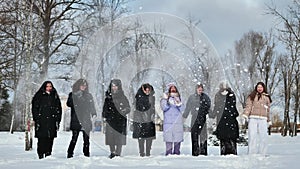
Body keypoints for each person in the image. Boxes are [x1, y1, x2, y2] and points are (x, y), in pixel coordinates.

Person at [66, 79, 97, 158]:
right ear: (78, 86)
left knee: (86, 139)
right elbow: (69, 104)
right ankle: (70, 153)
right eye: (82, 85)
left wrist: (93, 113)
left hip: (86, 119)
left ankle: (86, 153)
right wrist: (76, 97)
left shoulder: (88, 95)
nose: (84, 87)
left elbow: (91, 105)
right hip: (76, 119)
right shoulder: (73, 94)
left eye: (85, 85)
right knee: (74, 138)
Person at [31, 81, 62, 159]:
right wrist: (37, 118)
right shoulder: (39, 96)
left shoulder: (54, 96)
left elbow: (59, 108)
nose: (49, 88)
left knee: (50, 138)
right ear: (44, 87)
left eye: (50, 86)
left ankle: (48, 154)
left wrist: (58, 119)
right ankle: (41, 154)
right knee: (42, 139)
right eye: (47, 86)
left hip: (52, 120)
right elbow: (34, 108)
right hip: (42, 120)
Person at [102, 79, 131, 158]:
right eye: (113, 86)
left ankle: (118, 152)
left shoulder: (123, 97)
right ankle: (112, 151)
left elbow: (128, 108)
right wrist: (106, 116)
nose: (114, 88)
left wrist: (123, 111)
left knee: (119, 137)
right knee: (111, 137)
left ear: (119, 87)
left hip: (120, 121)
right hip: (111, 120)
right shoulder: (108, 98)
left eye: (116, 86)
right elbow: (104, 109)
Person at [243, 82, 272, 155]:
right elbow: (248, 106)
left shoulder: (267, 97)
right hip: (253, 118)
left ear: (263, 88)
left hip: (263, 118)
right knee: (252, 135)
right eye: (258, 87)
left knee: (263, 136)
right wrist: (246, 114)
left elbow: (268, 110)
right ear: (256, 88)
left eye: (261, 87)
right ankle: (252, 153)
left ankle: (263, 152)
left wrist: (268, 120)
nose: (259, 88)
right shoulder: (252, 96)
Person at [182, 83, 211, 156]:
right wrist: (184, 116)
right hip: (194, 118)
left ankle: (203, 152)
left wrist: (211, 114)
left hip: (202, 118)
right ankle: (195, 152)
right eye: (198, 88)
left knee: (203, 136)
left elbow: (209, 107)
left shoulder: (205, 97)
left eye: (201, 88)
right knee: (194, 135)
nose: (200, 90)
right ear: (196, 89)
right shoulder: (192, 97)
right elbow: (188, 107)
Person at [212, 82, 239, 155]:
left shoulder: (231, 94)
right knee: (223, 137)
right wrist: (213, 114)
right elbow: (216, 106)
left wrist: (233, 113)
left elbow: (233, 105)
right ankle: (224, 151)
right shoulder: (218, 95)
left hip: (230, 118)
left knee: (232, 136)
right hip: (221, 119)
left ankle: (232, 150)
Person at [160, 83, 184, 155]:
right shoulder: (164, 99)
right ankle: (168, 153)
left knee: (177, 137)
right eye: (171, 88)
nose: (173, 89)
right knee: (169, 138)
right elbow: (164, 108)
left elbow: (182, 108)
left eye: (174, 88)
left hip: (177, 122)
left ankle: (177, 153)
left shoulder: (180, 98)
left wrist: (178, 103)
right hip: (168, 122)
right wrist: (167, 100)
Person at [132, 83, 156, 157]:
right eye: (146, 89)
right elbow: (137, 107)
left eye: (149, 90)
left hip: (149, 117)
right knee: (141, 137)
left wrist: (152, 114)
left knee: (149, 136)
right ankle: (141, 152)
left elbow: (153, 107)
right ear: (143, 89)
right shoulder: (138, 96)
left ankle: (148, 151)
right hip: (140, 118)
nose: (147, 91)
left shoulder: (152, 97)